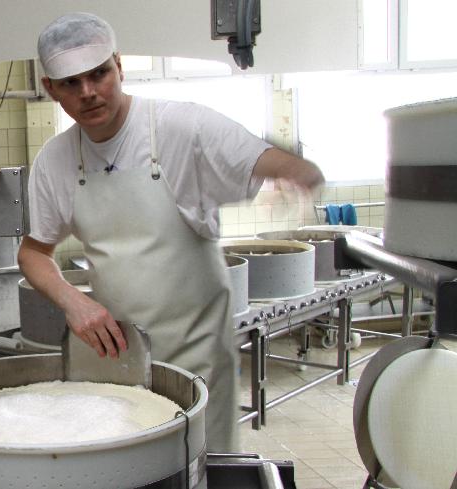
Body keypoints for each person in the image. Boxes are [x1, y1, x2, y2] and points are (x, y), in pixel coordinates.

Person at [18, 11, 324, 452]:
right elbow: (33, 252)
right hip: (123, 357)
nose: (88, 93)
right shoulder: (56, 160)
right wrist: (75, 303)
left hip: (198, 356)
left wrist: (295, 169)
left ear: (119, 66)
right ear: (50, 89)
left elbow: (252, 155)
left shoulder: (180, 128)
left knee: (201, 464)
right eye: (70, 83)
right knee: (135, 466)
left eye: (99, 74)